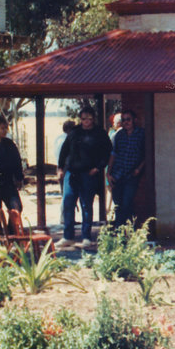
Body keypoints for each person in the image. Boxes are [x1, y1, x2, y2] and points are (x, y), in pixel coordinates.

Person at [56, 107, 111, 249]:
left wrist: (98, 168)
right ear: (80, 119)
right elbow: (64, 150)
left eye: (89, 118)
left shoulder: (100, 133)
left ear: (93, 118)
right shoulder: (74, 132)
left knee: (86, 205)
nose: (86, 121)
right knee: (68, 202)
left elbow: (107, 153)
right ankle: (68, 237)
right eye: (84, 118)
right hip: (72, 173)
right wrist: (60, 168)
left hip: (89, 174)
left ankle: (86, 237)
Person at [107, 109, 145, 227]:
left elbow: (146, 154)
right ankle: (120, 233)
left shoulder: (141, 134)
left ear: (134, 120)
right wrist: (108, 173)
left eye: (128, 119)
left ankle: (130, 232)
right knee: (118, 205)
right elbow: (114, 154)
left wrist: (139, 168)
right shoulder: (119, 135)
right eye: (123, 120)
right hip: (117, 174)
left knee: (127, 202)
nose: (126, 122)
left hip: (131, 174)